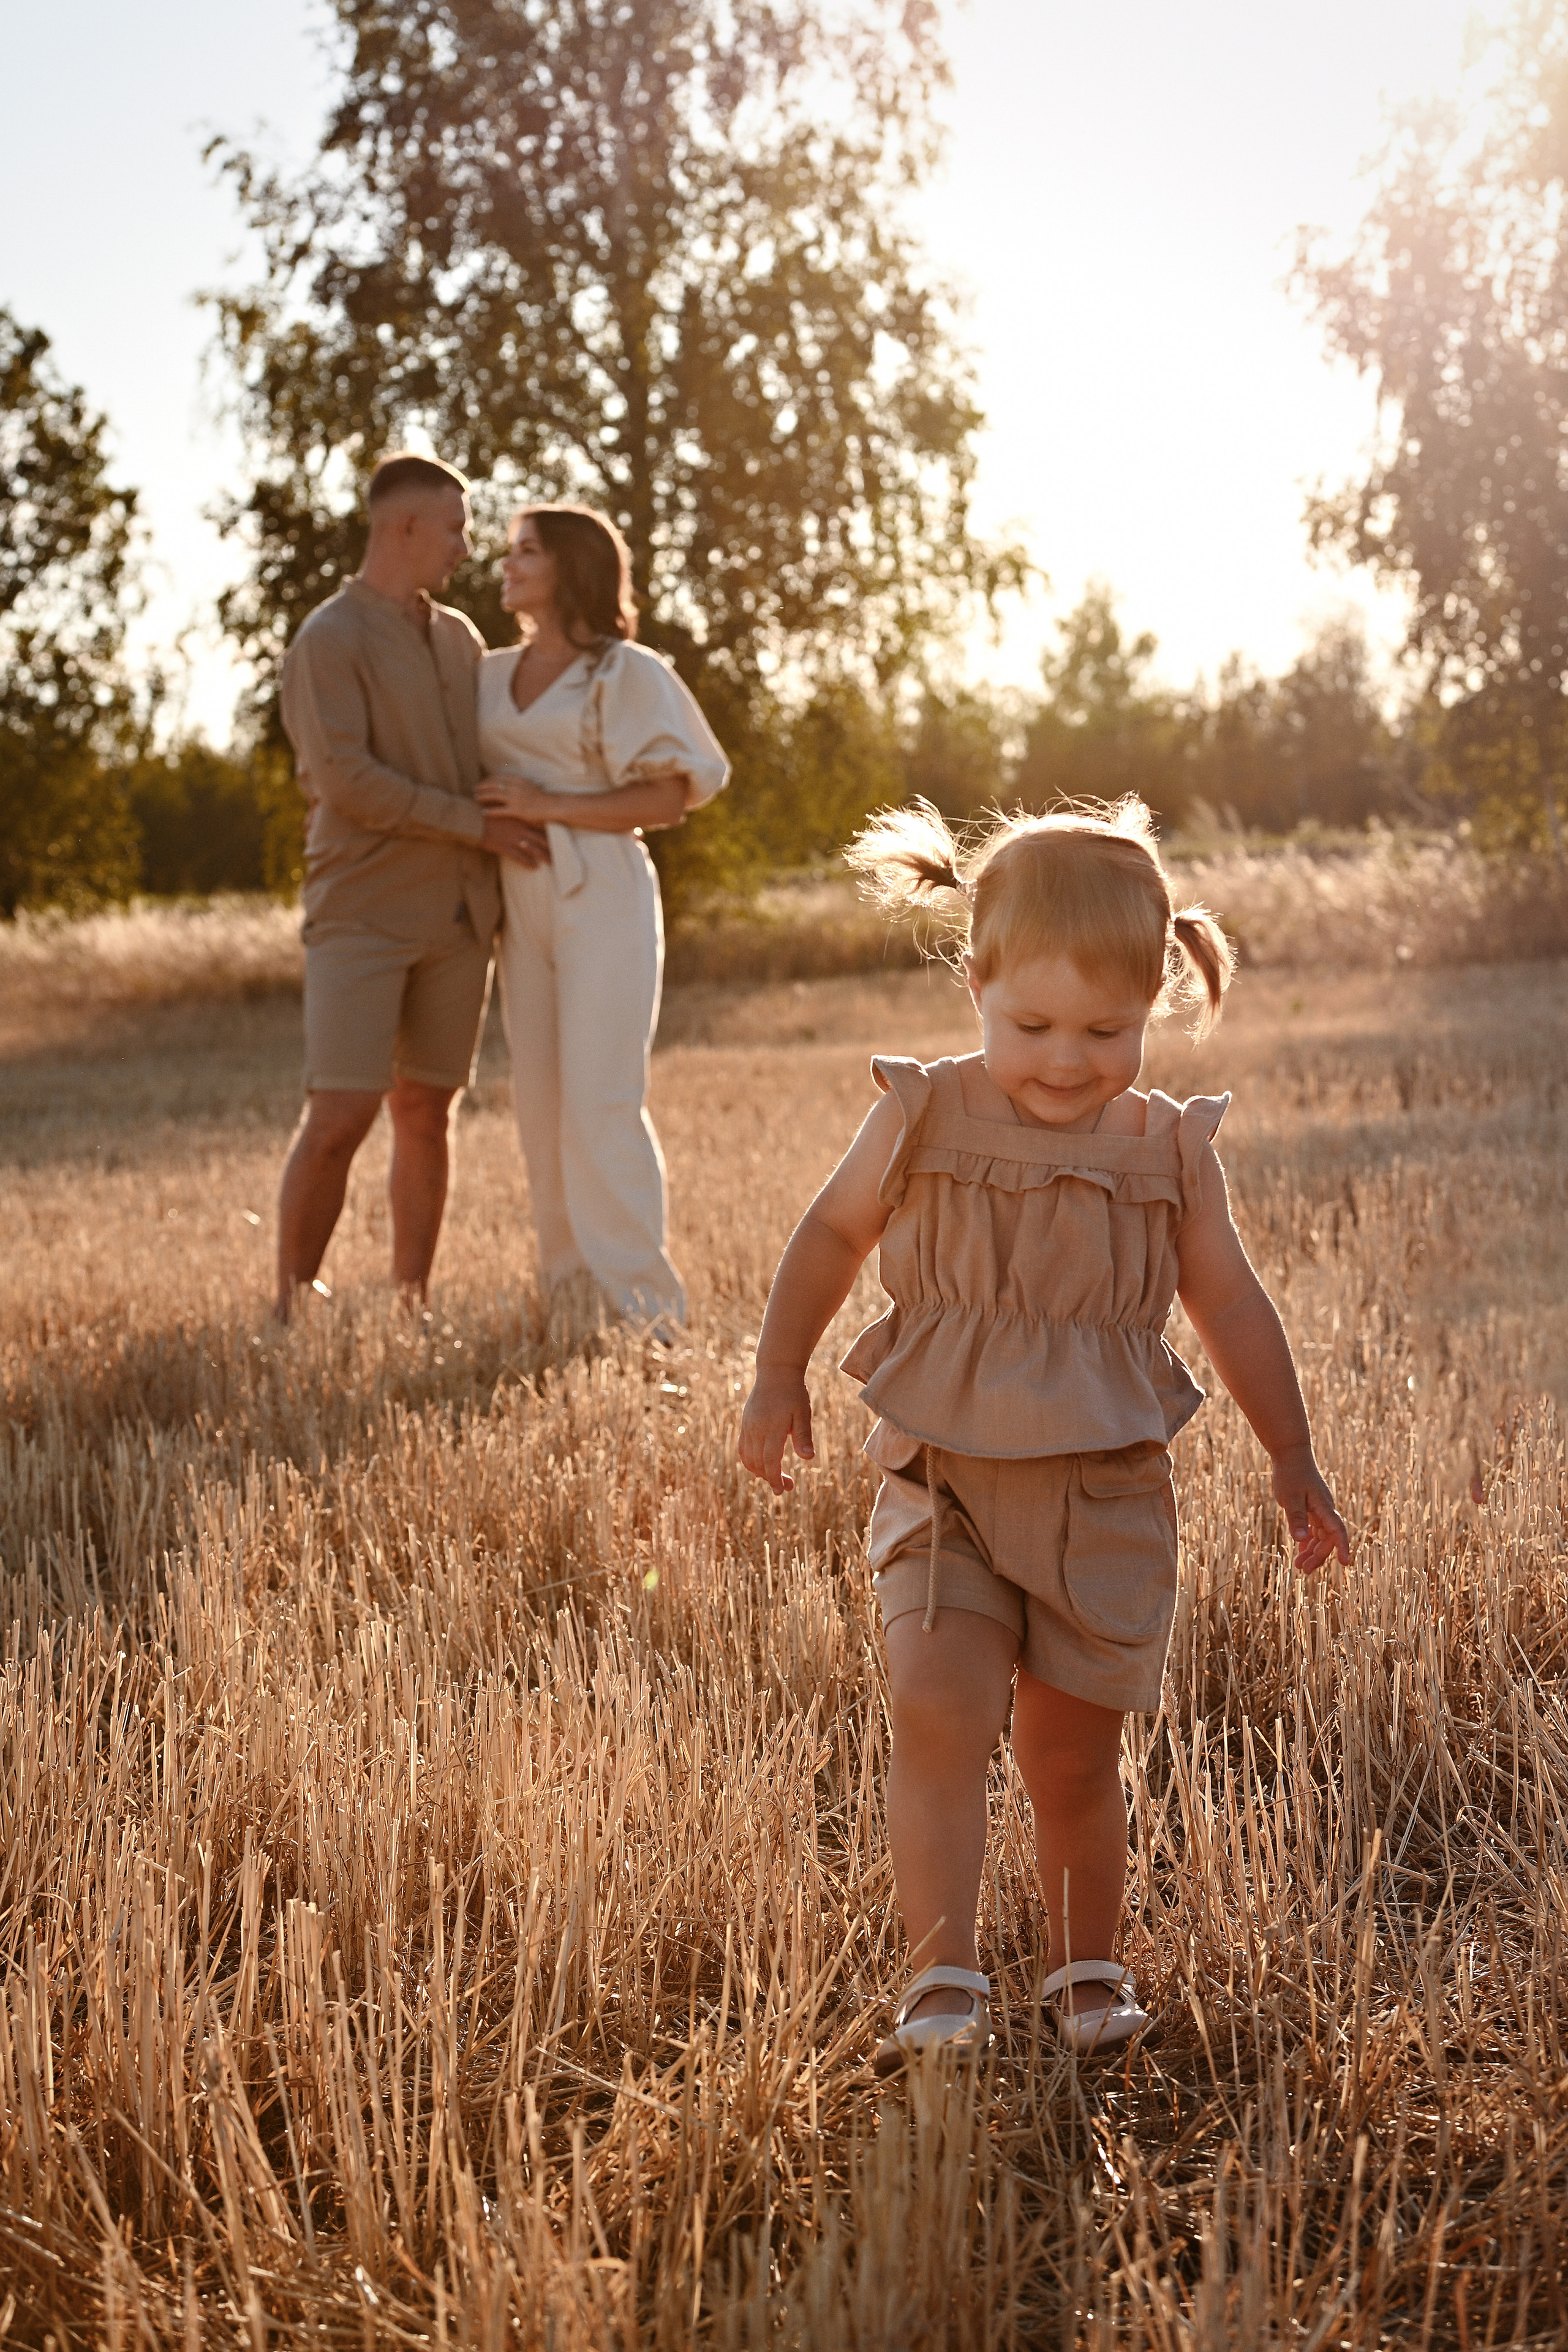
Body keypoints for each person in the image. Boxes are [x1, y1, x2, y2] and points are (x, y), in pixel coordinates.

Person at [739, 797, 1351, 2075]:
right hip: (943, 1477)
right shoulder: (922, 1114)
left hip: (1102, 1498)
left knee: (1071, 1758)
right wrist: (775, 1371)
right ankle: (940, 1979)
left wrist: (1288, 1454)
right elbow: (829, 1233)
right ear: (973, 985)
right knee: (935, 1709)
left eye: (1104, 1030)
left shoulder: (1165, 1152)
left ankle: (1086, 1966)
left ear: (1155, 1005)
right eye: (1029, 1027)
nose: (1065, 1061)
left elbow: (1228, 1299)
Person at [273, 453, 547, 1321]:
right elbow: (346, 782)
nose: (468, 547)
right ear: (406, 529)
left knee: (428, 1109)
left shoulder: (460, 636)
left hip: (461, 916)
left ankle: (411, 1301)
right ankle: (291, 1302)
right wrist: (476, 825)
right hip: (362, 911)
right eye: (457, 529)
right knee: (343, 1110)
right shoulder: (328, 640)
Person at [475, 503, 729, 1331]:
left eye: (525, 552)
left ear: (571, 567)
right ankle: (570, 1294)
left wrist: (548, 804)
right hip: (521, 897)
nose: (506, 565)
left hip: (605, 891)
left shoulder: (627, 673)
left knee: (600, 1100)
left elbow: (669, 797)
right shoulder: (484, 673)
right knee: (539, 1098)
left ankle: (647, 1310)